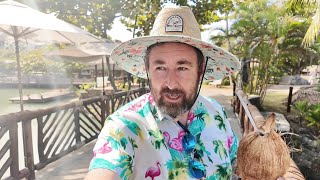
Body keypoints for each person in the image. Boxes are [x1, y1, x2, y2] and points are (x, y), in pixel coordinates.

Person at [86, 6, 240, 180]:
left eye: (182, 68)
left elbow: (237, 162)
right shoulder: (124, 127)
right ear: (147, 69)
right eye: (160, 68)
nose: (171, 83)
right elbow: (104, 168)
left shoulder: (216, 112)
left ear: (200, 69)